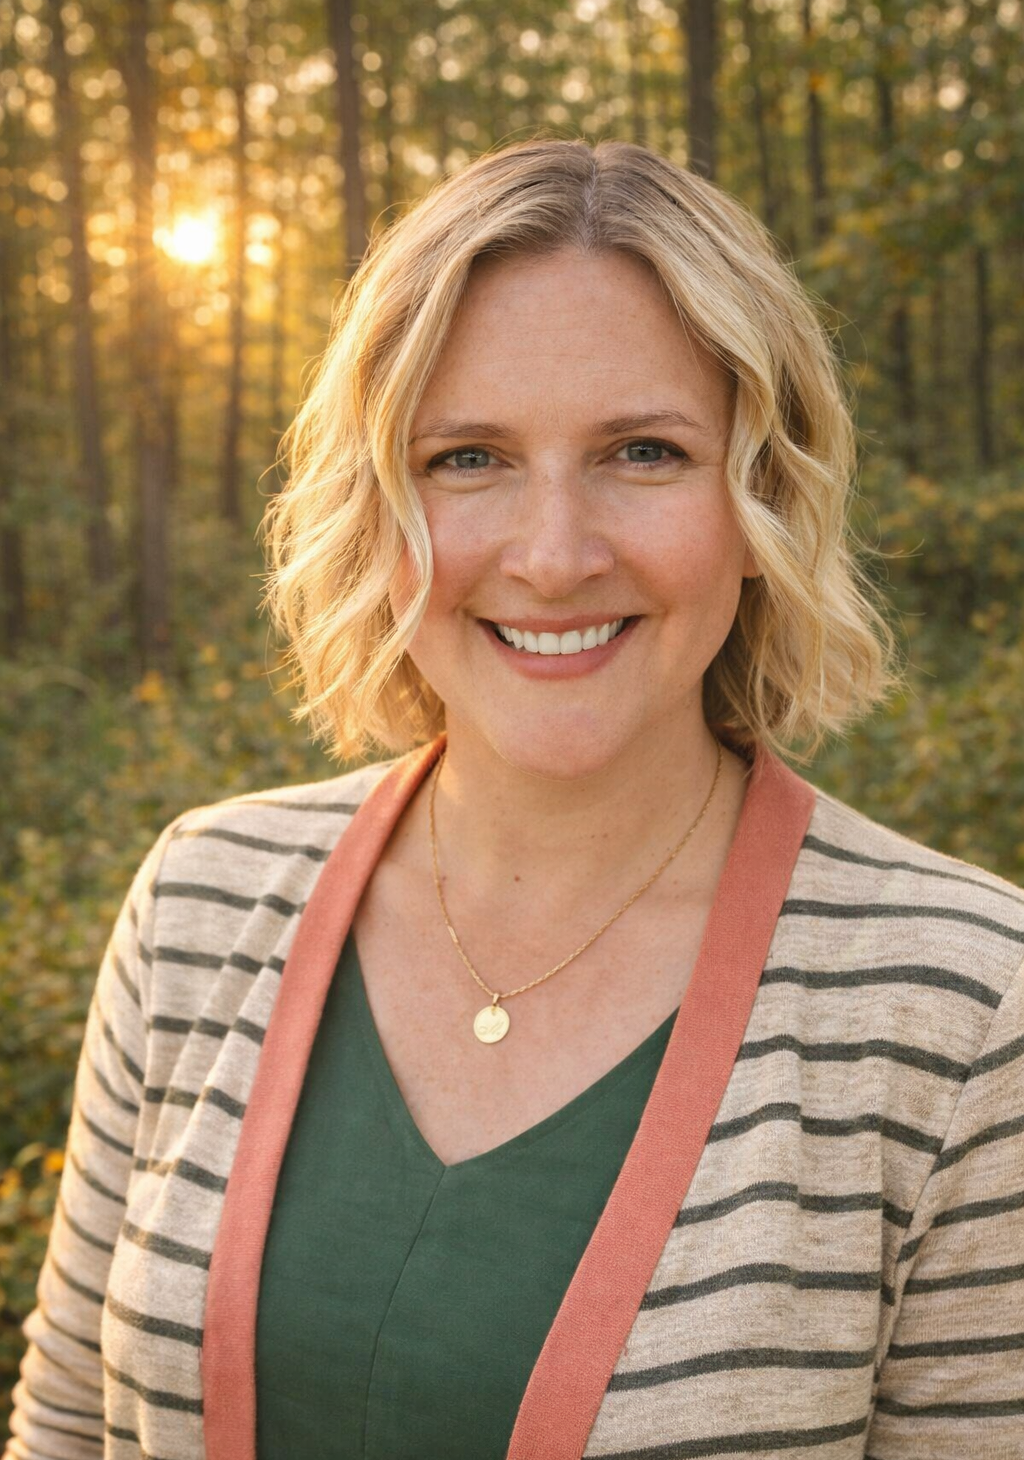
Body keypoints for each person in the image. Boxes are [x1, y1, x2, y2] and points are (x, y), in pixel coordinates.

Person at [6, 137, 1023, 1460]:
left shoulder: (963, 1007)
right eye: (469, 458)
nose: (552, 555)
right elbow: (68, 1430)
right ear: (376, 508)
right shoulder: (202, 901)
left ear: (760, 495)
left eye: (644, 452)